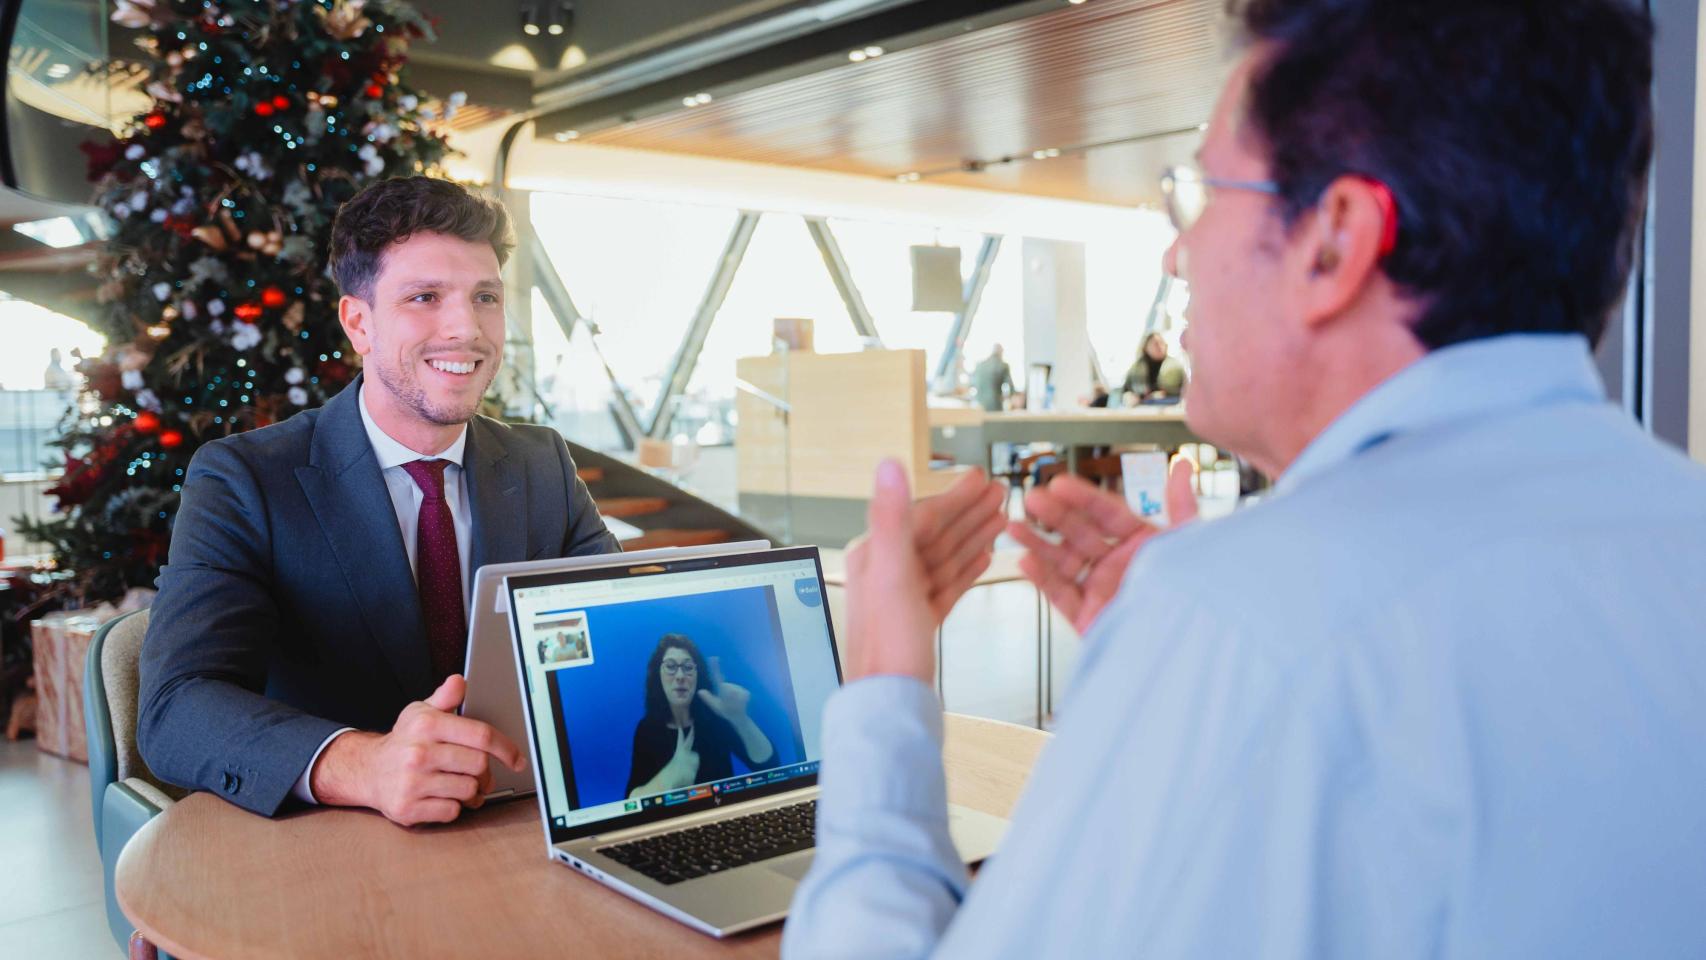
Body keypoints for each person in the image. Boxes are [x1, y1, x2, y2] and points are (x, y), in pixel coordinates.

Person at [784, 1, 1706, 956]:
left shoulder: (1239, 627)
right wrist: (1176, 703)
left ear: (1334, 241)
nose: (1176, 254)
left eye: (1195, 194)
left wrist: (886, 691)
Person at [138, 177, 620, 826]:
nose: (467, 329)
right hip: (334, 846)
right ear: (358, 323)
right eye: (425, 297)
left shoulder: (542, 465)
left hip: (518, 824)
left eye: (486, 298)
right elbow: (179, 707)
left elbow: (619, 634)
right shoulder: (245, 480)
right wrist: (365, 763)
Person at [625, 634, 776, 800]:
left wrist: (740, 720)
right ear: (658, 675)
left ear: (698, 675)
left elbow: (770, 766)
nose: (680, 676)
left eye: (688, 667)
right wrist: (669, 777)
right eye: (670, 666)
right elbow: (631, 802)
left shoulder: (715, 718)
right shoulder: (647, 729)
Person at [1119, 331, 1186, 404]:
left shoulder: (1176, 366)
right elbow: (1125, 392)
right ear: (1145, 347)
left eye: (1161, 343)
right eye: (1155, 344)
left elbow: (1185, 390)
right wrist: (1129, 397)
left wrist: (1163, 395)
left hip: (1170, 407)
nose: (1160, 347)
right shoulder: (1135, 369)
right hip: (1140, 410)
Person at [969, 344, 1013, 413]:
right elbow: (1011, 388)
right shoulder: (1003, 365)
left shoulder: (979, 365)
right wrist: (1007, 397)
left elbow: (971, 384)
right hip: (995, 406)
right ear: (1001, 353)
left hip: (979, 405)